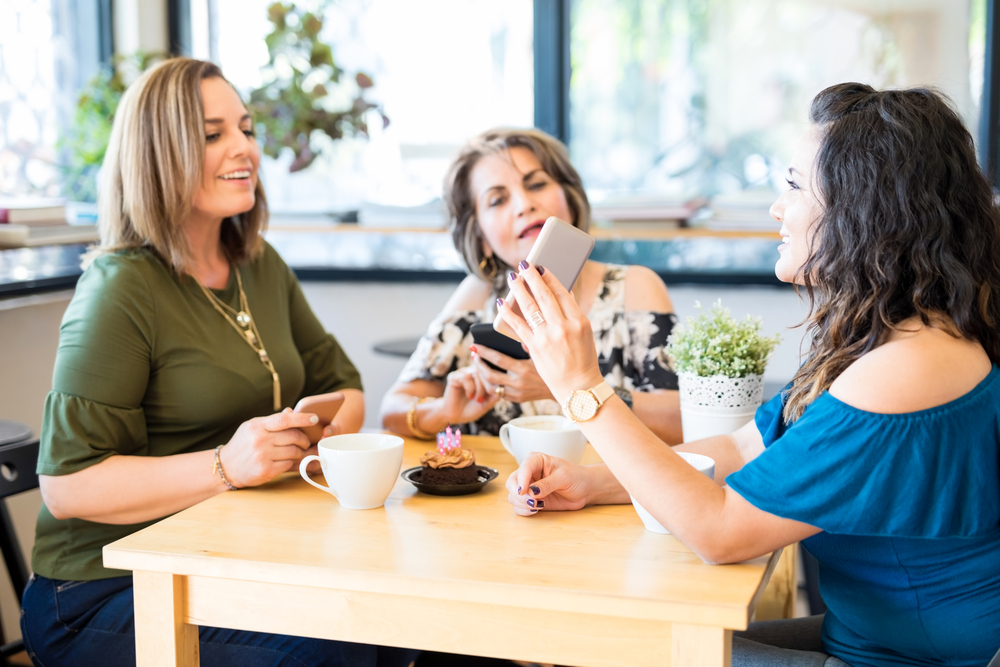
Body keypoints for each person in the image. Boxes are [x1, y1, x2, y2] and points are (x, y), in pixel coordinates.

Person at [497, 84, 1000, 666]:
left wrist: (580, 386)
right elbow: (744, 447)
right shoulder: (894, 333)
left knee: (599, 644)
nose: (776, 208)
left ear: (866, 208)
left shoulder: (909, 366)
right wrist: (595, 482)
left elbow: (720, 533)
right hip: (867, 639)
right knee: (610, 636)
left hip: (906, 660)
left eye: (794, 185)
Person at [21, 58, 415, 667]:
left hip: (219, 555)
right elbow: (68, 484)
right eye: (213, 134)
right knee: (333, 650)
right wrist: (227, 466)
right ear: (158, 155)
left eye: (246, 129)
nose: (245, 148)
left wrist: (320, 437)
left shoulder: (259, 263)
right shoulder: (120, 289)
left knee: (402, 623)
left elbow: (343, 383)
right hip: (99, 590)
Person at [380, 128, 682, 443]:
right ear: (482, 238)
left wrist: (564, 388)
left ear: (569, 198)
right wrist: (444, 410)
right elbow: (392, 410)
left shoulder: (634, 287)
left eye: (536, 184)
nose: (524, 204)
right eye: (497, 200)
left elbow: (681, 421)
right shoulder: (477, 295)